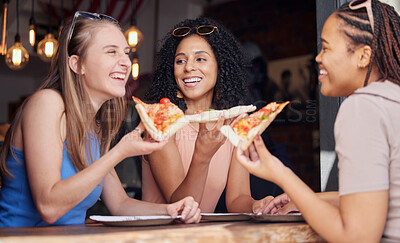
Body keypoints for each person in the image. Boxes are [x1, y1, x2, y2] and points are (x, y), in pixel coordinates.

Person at [0, 11, 201, 227]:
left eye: (126, 52)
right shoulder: (47, 104)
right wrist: (120, 151)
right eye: (111, 52)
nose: (125, 62)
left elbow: (120, 204)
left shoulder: (92, 127)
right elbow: (49, 207)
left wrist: (172, 210)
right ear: (77, 65)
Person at [235, 0, 400, 242]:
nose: (318, 58)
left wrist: (279, 174)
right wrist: (306, 197)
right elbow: (383, 196)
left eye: (326, 48)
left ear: (364, 56)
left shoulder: (363, 106)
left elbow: (357, 237)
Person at [142, 17, 274, 213]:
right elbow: (181, 208)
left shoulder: (234, 123)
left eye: (200, 59)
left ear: (220, 66)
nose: (188, 67)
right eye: (180, 61)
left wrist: (257, 205)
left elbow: (237, 198)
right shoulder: (161, 122)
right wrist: (201, 156)